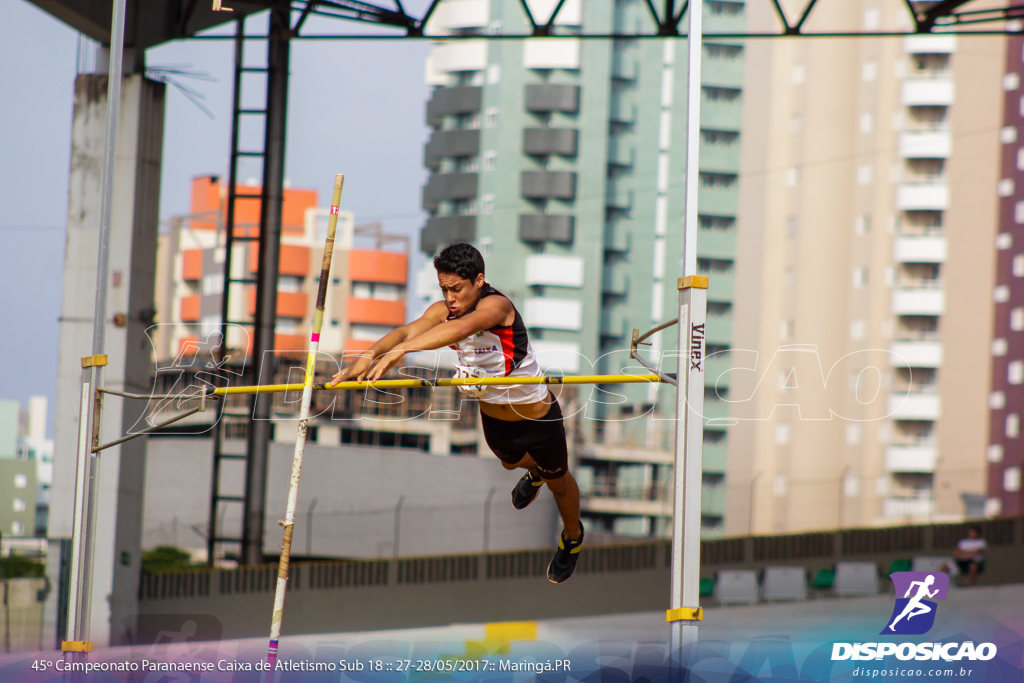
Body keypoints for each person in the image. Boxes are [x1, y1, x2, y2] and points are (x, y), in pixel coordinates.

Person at [329, 242, 584, 583]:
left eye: (457, 289)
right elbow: (407, 331)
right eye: (444, 289)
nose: (450, 298)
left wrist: (402, 352)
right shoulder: (443, 310)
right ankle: (533, 471)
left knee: (559, 483)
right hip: (496, 418)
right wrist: (369, 354)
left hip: (538, 416)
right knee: (510, 463)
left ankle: (572, 538)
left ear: (479, 280)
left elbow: (462, 329)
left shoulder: (497, 306)